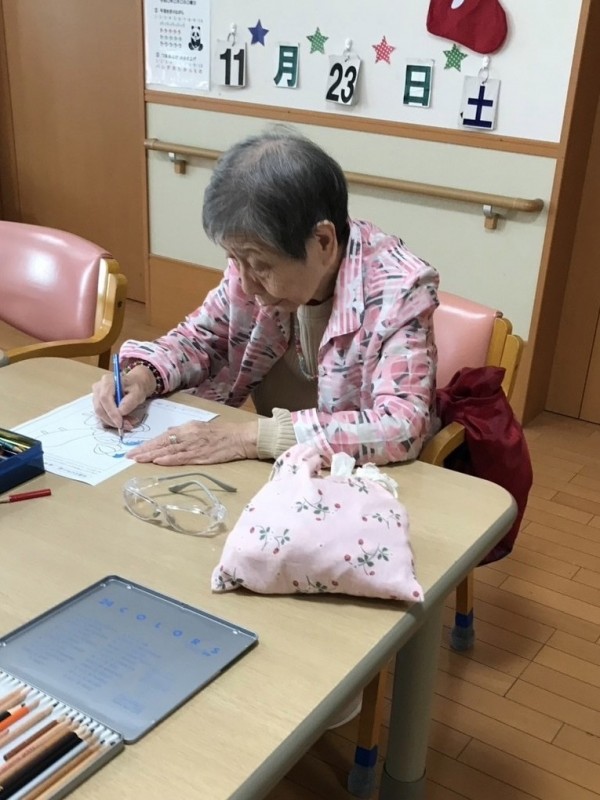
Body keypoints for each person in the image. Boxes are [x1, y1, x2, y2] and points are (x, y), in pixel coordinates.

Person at [92, 127, 439, 467]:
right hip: (275, 466)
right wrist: (144, 375)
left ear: (323, 242)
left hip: (361, 477)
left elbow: (399, 425)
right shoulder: (249, 263)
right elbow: (200, 339)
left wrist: (247, 438)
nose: (246, 284)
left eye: (261, 266)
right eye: (234, 260)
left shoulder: (400, 289)